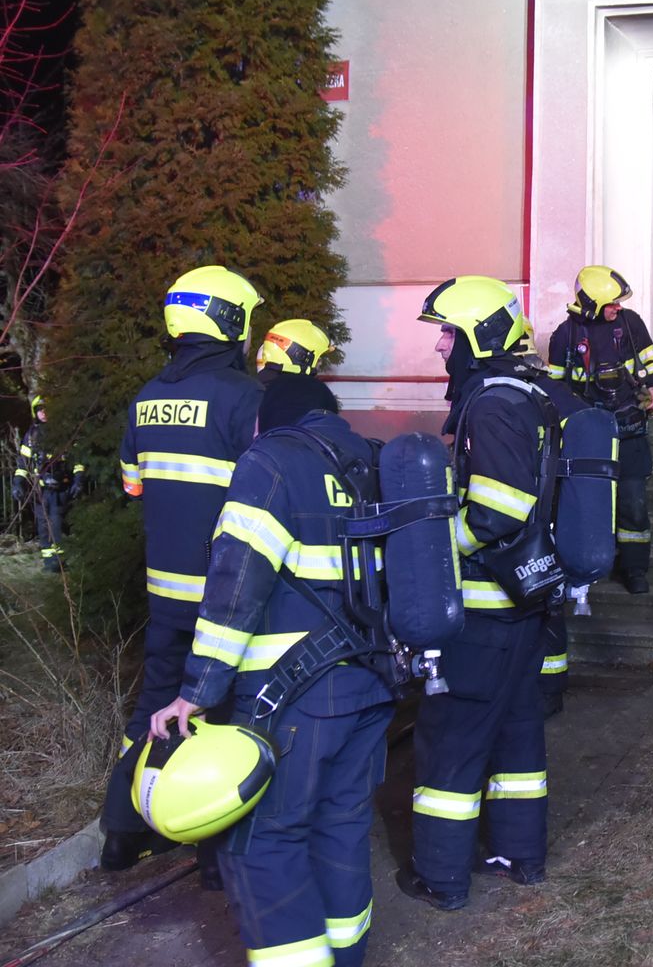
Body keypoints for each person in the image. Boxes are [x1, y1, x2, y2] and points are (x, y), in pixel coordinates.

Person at [149, 373, 394, 967]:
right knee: (341, 829)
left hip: (295, 697)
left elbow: (236, 583)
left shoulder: (271, 462)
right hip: (372, 686)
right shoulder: (375, 461)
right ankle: (346, 956)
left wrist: (196, 691)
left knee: (261, 843)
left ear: (267, 420)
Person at [400, 275, 583, 910]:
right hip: (523, 604)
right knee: (516, 730)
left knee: (452, 736)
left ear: (478, 336)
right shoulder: (527, 394)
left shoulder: (494, 405)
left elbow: (498, 511)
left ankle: (441, 876)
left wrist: (430, 546)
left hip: (484, 609)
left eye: (448, 333)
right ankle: (518, 853)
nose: (440, 346)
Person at [102, 265, 263, 875]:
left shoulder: (147, 397)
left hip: (165, 592)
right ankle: (217, 862)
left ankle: (123, 832)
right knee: (225, 715)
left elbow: (133, 486)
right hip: (227, 594)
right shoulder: (246, 398)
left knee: (155, 706)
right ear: (229, 321)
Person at [548, 265, 653, 595]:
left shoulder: (630, 324)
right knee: (587, 504)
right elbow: (554, 388)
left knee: (633, 504)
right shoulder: (565, 336)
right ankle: (588, 566)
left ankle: (635, 569)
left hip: (630, 432)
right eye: (611, 302)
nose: (618, 307)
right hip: (588, 440)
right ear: (593, 303)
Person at [11, 396, 84, 572]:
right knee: (43, 525)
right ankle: (49, 562)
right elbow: (23, 464)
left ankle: (59, 562)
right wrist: (18, 483)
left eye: (47, 409)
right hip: (41, 490)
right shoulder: (31, 436)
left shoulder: (65, 433)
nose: (43, 413)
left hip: (60, 488)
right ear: (35, 413)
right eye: (40, 410)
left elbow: (77, 459)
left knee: (56, 523)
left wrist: (78, 480)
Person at [255, 317, 333, 383]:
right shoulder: (306, 392)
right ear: (300, 356)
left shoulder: (255, 387)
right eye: (317, 360)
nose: (319, 364)